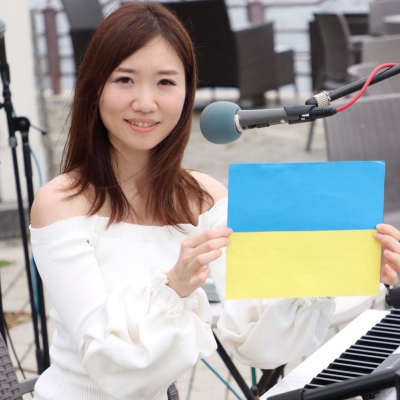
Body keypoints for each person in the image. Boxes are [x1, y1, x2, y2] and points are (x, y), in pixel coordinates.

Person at [30, 2, 400, 400]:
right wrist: (175, 287)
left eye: (165, 82)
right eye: (125, 79)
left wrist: (333, 268)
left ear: (188, 91)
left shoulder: (203, 198)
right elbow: (106, 364)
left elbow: (257, 345)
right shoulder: (61, 204)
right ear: (94, 87)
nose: (145, 102)